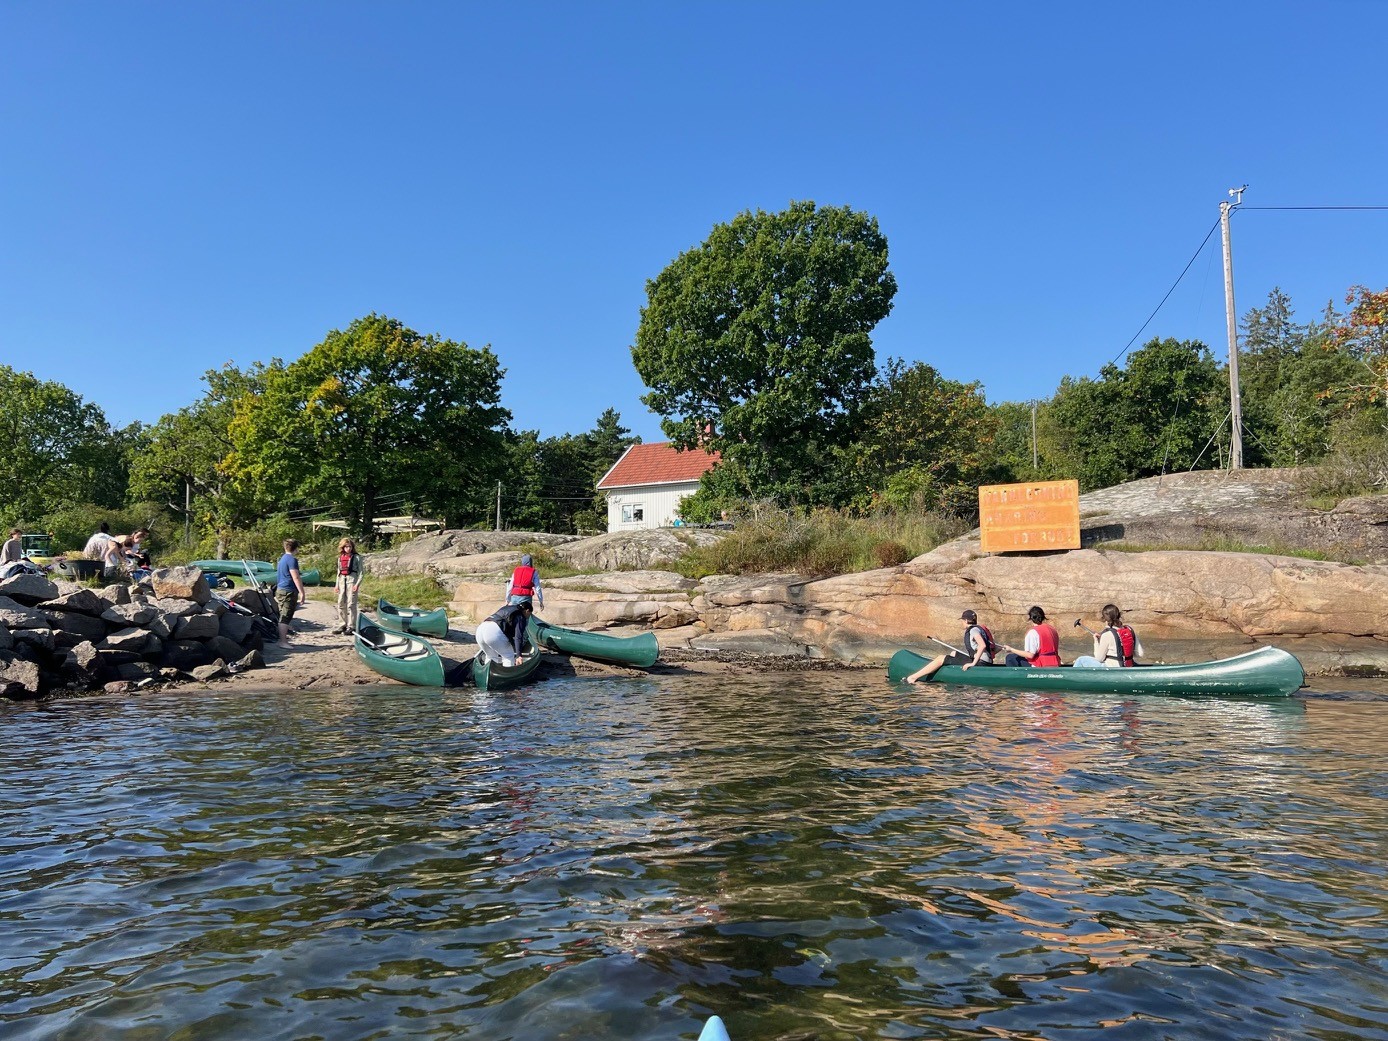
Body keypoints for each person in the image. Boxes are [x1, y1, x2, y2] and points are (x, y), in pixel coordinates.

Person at [905, 609, 996, 684]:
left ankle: (913, 677)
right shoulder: (978, 629)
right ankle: (941, 669)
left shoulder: (973, 631)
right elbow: (992, 647)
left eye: (962, 621)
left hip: (981, 663)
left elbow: (982, 645)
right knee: (953, 653)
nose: (962, 623)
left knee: (941, 658)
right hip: (985, 661)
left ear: (966, 621)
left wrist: (973, 664)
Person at [1072, 604, 1145, 668]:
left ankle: (1071, 681)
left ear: (1105, 619)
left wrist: (1096, 642)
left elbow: (1099, 659)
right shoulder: (1129, 630)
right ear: (1119, 616)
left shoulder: (1107, 635)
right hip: (1128, 666)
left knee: (1081, 660)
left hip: (1112, 668)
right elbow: (1140, 654)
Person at [999, 606, 1063, 667]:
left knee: (1010, 658)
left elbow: (1030, 655)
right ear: (1043, 617)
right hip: (1055, 663)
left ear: (1031, 618)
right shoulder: (1052, 629)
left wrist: (1011, 649)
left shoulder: (1033, 632)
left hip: (1041, 664)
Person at [476, 600, 533, 667]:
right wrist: (518, 655)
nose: (529, 616)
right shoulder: (520, 616)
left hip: (480, 629)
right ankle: (508, 676)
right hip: (493, 632)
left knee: (491, 656)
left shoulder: (508, 607)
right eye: (530, 614)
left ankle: (488, 675)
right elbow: (518, 637)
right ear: (527, 610)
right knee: (508, 656)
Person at [275, 538, 307, 643]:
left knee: (283, 615)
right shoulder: (292, 560)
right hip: (288, 590)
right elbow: (296, 577)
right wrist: (302, 592)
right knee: (285, 617)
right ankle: (283, 642)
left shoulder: (282, 559)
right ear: (295, 548)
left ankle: (283, 638)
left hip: (280, 589)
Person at [333, 536, 363, 635]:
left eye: (350, 546)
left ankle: (351, 626)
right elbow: (338, 572)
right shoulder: (340, 558)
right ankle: (342, 624)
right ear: (343, 547)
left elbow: (361, 572)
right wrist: (336, 585)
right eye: (346, 547)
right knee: (341, 603)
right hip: (342, 581)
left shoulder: (357, 557)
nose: (348, 548)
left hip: (352, 580)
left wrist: (357, 584)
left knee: (351, 604)